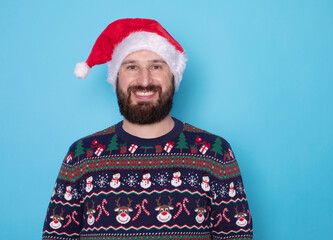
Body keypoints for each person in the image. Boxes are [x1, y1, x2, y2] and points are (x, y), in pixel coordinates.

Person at [42, 18, 253, 240]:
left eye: (156, 66)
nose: (144, 81)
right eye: (132, 66)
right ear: (116, 77)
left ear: (173, 77)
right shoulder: (81, 155)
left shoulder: (215, 153)